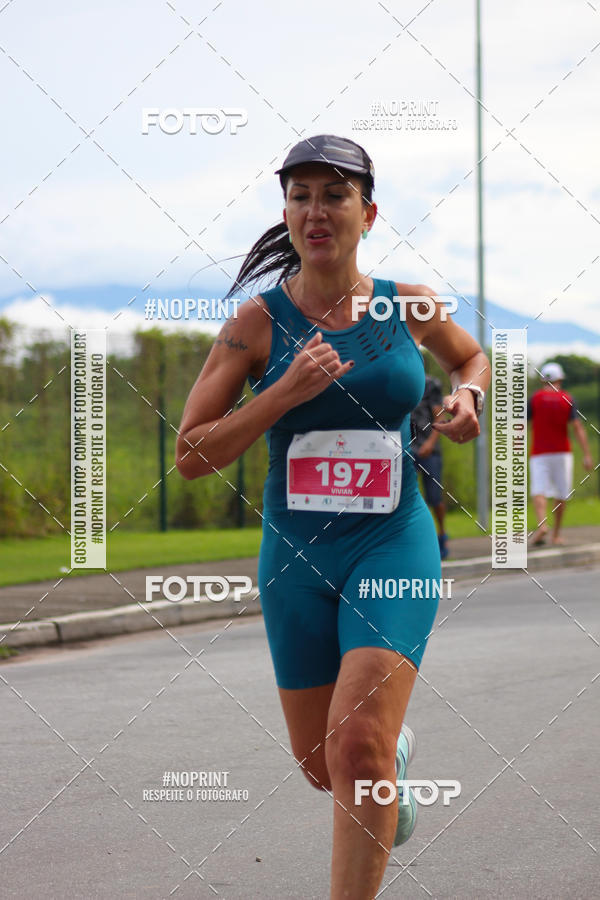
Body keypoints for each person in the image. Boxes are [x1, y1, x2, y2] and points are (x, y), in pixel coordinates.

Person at [176, 134, 490, 899]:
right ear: (285, 212)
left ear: (368, 212)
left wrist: (468, 398)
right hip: (296, 554)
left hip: (392, 540)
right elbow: (191, 453)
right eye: (300, 195)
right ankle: (394, 758)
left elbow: (470, 357)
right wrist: (281, 392)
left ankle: (379, 763)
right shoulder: (254, 325)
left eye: (334, 194)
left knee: (357, 747)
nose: (315, 210)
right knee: (325, 766)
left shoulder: (406, 304)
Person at [528, 361, 593, 546]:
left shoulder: (534, 399)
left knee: (538, 490)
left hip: (539, 452)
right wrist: (587, 454)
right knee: (561, 493)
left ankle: (542, 525)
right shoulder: (568, 399)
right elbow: (577, 427)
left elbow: (521, 425)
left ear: (542, 380)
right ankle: (556, 534)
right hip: (563, 453)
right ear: (560, 379)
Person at [410, 373, 449, 558]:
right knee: (405, 499)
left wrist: (430, 443)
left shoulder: (431, 384)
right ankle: (414, 542)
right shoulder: (397, 382)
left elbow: (439, 417)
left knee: (434, 497)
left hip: (428, 449)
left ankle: (442, 534)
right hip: (405, 449)